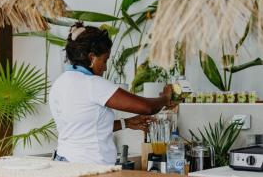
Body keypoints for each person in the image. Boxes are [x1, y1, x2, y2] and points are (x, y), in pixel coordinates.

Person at [49, 22, 173, 165]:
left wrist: (127, 123)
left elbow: (84, 128)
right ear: (91, 57)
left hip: (63, 161)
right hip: (88, 167)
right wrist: (165, 97)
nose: (105, 68)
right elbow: (147, 108)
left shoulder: (60, 83)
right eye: (104, 60)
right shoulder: (93, 84)